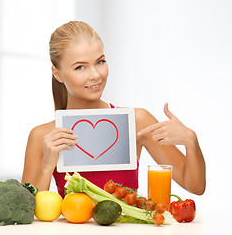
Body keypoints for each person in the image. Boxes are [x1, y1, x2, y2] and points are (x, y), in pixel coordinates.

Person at [21, 21, 206, 198]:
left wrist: (190, 140)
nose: (95, 75)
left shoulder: (137, 121)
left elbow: (195, 186)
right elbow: (25, 211)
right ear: (57, 74)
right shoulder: (42, 136)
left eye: (100, 62)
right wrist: (47, 164)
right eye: (80, 67)